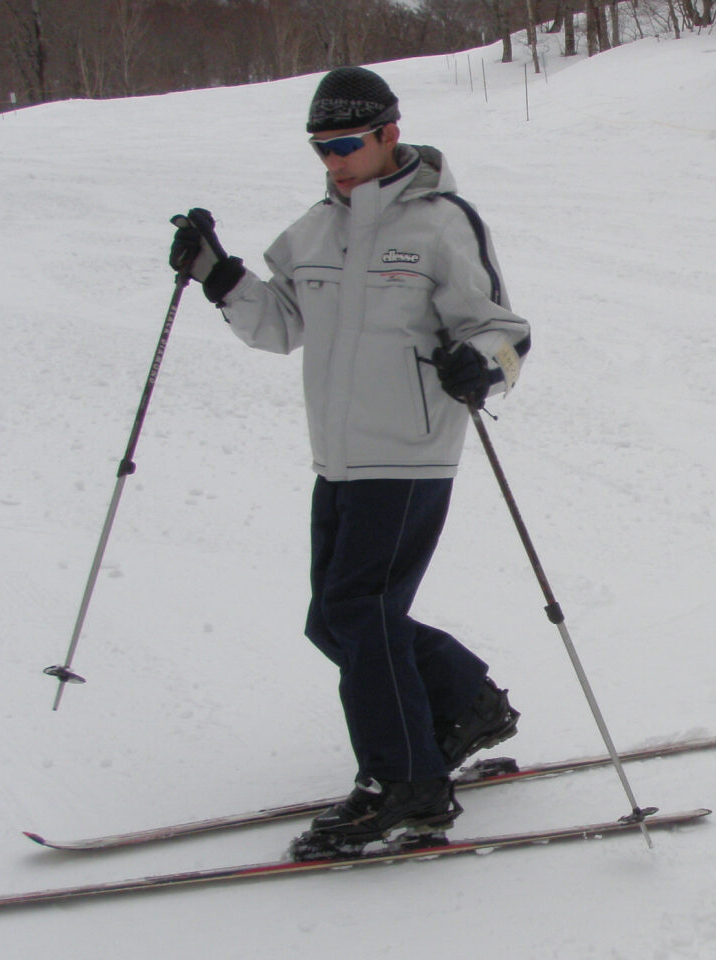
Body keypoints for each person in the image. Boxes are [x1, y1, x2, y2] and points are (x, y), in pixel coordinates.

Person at [168, 66, 530, 860]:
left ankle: (405, 782)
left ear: (389, 134)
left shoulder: (442, 224)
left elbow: (504, 331)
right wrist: (217, 274)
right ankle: (465, 704)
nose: (333, 161)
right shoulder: (312, 231)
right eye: (320, 148)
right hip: (338, 457)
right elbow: (279, 326)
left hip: (409, 451)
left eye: (345, 144)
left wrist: (481, 364)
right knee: (334, 618)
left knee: (360, 611)